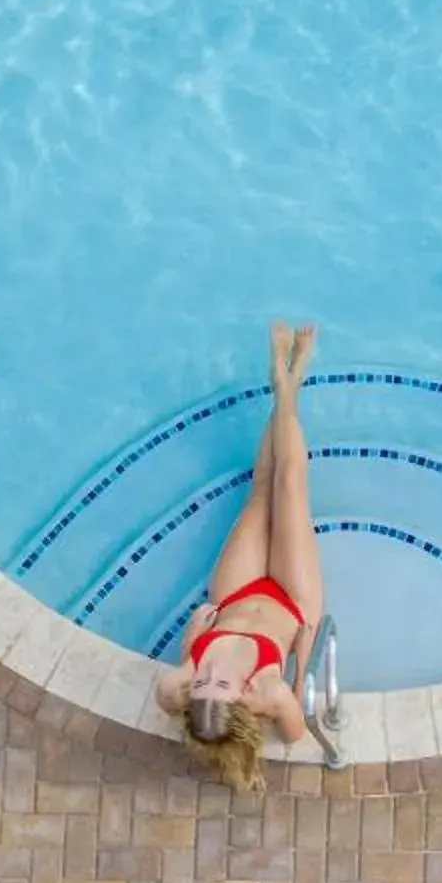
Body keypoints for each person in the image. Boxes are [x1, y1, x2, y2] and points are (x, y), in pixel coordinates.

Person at [151, 320, 326, 792]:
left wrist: (194, 634)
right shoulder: (267, 693)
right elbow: (296, 734)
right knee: (291, 484)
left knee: (262, 488)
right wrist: (297, 667)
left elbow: (181, 674)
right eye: (220, 685)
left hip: (236, 591)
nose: (208, 677)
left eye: (201, 687)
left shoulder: (179, 685)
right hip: (292, 600)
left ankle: (287, 386)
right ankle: (288, 382)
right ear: (242, 698)